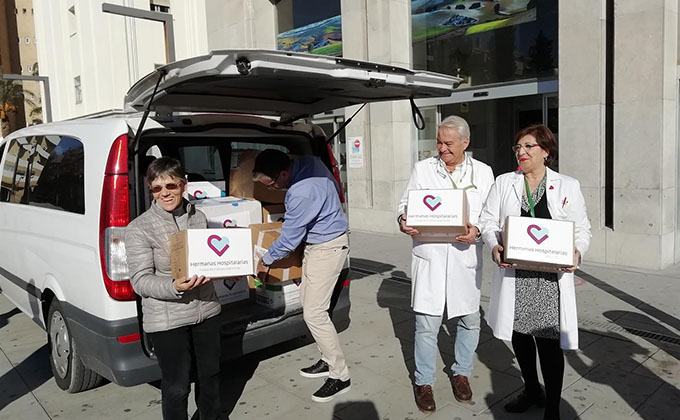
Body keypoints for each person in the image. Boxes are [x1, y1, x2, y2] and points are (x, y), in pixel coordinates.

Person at [478, 125, 591, 420]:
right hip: (517, 274)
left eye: (529, 146)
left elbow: (582, 228)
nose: (521, 152)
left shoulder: (568, 185)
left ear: (546, 152)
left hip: (549, 279)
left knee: (548, 341)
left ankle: (552, 407)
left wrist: (577, 251)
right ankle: (532, 390)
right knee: (520, 337)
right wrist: (493, 244)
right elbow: (488, 220)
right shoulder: (505, 182)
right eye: (518, 147)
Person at [397, 115, 494, 412]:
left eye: (448, 143)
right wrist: (403, 220)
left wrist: (476, 231)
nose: (441, 148)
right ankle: (424, 381)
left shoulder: (483, 172)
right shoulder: (422, 169)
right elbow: (404, 205)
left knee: (469, 321)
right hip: (431, 258)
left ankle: (461, 373)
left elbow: (491, 214)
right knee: (426, 326)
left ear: (465, 142)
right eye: (439, 141)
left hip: (464, 259)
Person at [125, 157, 222, 420]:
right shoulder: (138, 229)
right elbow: (140, 279)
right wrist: (173, 286)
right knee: (177, 386)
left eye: (171, 185)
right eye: (157, 188)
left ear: (183, 185)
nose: (165, 193)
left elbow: (208, 259)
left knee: (211, 376)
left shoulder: (199, 217)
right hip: (168, 318)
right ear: (150, 189)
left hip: (207, 310)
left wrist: (225, 270)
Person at [252, 149, 350, 403]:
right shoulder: (311, 162)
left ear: (284, 173)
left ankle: (340, 376)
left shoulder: (299, 192)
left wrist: (264, 260)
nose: (273, 190)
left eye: (272, 184)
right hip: (321, 244)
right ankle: (327, 359)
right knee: (311, 304)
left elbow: (289, 239)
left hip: (326, 249)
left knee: (314, 313)